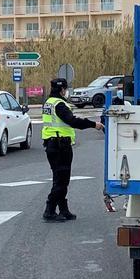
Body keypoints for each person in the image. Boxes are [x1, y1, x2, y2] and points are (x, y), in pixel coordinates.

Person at [41, 77, 103, 222]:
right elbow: (73, 121)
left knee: (60, 179)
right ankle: (49, 211)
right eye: (66, 89)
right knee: (61, 180)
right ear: (62, 89)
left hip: (52, 144)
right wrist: (94, 125)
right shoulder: (60, 105)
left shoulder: (49, 102)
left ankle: (63, 210)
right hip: (60, 145)